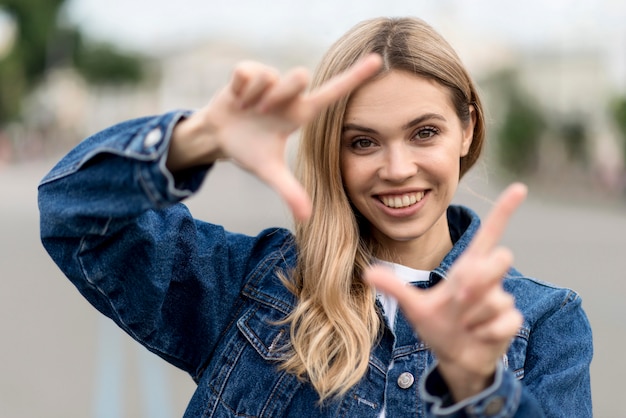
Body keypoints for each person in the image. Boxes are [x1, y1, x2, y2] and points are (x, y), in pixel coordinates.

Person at [38, 17, 592, 417]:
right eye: (363, 142)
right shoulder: (256, 285)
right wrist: (200, 138)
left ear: (467, 128)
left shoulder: (545, 323)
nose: (397, 168)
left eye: (425, 132)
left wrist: (481, 389)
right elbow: (74, 214)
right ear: (332, 149)